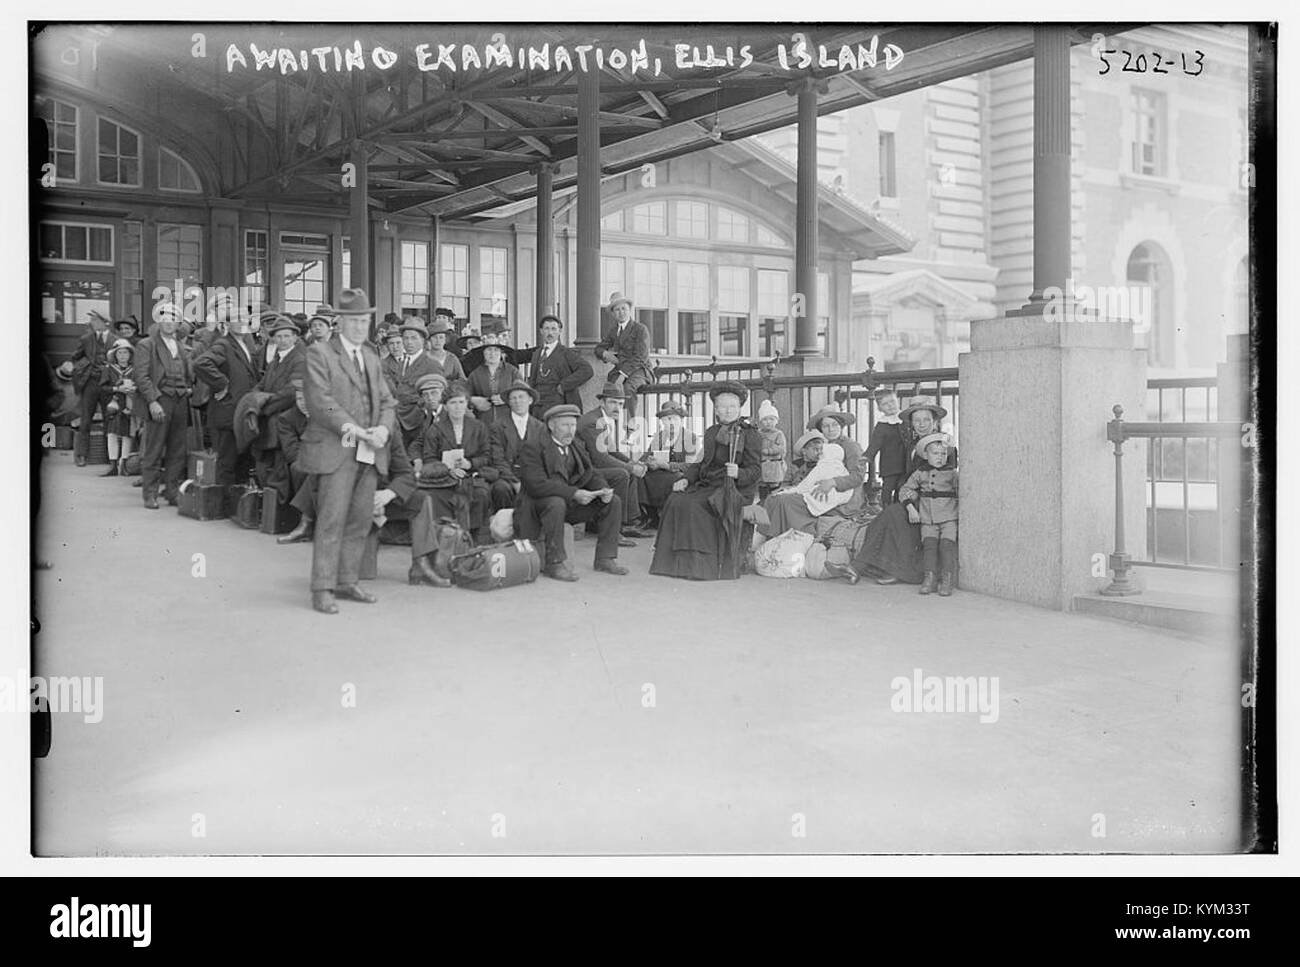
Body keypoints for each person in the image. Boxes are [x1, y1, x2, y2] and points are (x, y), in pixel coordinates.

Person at [298, 287, 397, 615]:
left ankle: (347, 579)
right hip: (338, 447)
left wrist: (383, 428)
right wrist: (352, 429)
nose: (359, 326)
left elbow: (386, 401)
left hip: (369, 450)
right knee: (332, 519)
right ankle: (322, 587)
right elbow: (319, 401)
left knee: (359, 518)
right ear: (339, 322)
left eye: (364, 320)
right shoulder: (320, 353)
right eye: (352, 320)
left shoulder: (371, 356)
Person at [649, 381, 762, 581]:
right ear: (716, 410)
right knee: (676, 500)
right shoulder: (711, 432)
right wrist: (685, 479)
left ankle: (700, 567)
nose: (726, 411)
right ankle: (675, 564)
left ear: (739, 408)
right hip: (709, 484)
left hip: (734, 488)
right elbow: (699, 463)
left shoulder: (750, 434)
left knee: (696, 506)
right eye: (721, 407)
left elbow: (755, 471)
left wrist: (738, 473)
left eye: (731, 407)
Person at [516, 404, 628, 581]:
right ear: (551, 426)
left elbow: (591, 473)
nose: (571, 431)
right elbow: (536, 485)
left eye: (573, 425)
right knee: (555, 502)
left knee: (613, 501)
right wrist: (574, 493)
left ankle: (605, 558)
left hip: (566, 505)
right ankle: (554, 563)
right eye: (565, 425)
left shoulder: (575, 445)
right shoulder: (533, 447)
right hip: (537, 508)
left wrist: (603, 489)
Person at [851, 398, 957, 585]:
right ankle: (862, 567)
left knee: (895, 515)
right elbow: (908, 475)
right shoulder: (912, 446)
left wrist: (913, 497)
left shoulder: (943, 446)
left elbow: (946, 477)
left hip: (937, 502)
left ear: (934, 422)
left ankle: (890, 569)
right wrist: (905, 493)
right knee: (884, 517)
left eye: (926, 420)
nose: (922, 424)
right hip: (914, 496)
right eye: (917, 421)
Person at [756, 406, 865, 539]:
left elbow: (858, 477)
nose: (830, 429)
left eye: (834, 425)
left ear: (841, 426)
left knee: (786, 502)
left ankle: (796, 539)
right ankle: (770, 541)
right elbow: (815, 476)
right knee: (774, 499)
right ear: (821, 429)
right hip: (822, 491)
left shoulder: (850, 446)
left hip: (844, 496)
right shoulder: (826, 447)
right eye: (826, 426)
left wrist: (833, 482)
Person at [412, 380, 493, 541]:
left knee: (481, 494)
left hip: (471, 476)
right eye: (453, 403)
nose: (457, 407)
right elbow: (429, 458)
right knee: (436, 496)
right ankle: (447, 539)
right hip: (443, 478)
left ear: (467, 404)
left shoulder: (478, 427)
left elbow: (487, 456)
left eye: (461, 402)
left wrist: (470, 464)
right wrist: (448, 470)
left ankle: (472, 539)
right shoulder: (435, 429)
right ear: (446, 406)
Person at [133, 303, 194, 509]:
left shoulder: (181, 347)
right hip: (160, 401)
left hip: (180, 402)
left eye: (173, 319)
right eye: (165, 319)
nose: (169, 323)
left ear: (178, 324)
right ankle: (149, 494)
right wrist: (152, 401)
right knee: (154, 449)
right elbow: (141, 377)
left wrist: (188, 388)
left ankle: (171, 491)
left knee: (178, 449)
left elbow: (187, 374)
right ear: (159, 322)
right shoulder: (146, 345)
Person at [193, 308, 264, 487]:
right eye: (236, 319)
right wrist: (221, 383)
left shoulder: (246, 345)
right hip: (227, 412)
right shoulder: (224, 344)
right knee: (227, 462)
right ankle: (224, 504)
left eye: (244, 319)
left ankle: (236, 504)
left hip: (241, 411)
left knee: (241, 462)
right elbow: (201, 363)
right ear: (227, 324)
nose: (241, 322)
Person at [577, 382, 653, 540]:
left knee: (628, 471)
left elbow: (612, 451)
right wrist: (630, 468)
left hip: (593, 466)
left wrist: (632, 463)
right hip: (582, 471)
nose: (617, 407)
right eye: (612, 402)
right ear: (602, 402)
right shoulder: (593, 421)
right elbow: (601, 458)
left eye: (620, 403)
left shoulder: (604, 418)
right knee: (622, 474)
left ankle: (628, 523)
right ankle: (613, 530)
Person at [899, 432, 959, 596]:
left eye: (943, 453)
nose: (940, 457)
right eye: (935, 453)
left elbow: (962, 492)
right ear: (925, 455)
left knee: (947, 547)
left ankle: (947, 580)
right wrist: (910, 507)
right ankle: (930, 579)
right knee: (929, 548)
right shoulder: (920, 473)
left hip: (949, 517)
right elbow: (905, 490)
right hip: (927, 519)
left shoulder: (953, 473)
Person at [639, 399, 702, 529]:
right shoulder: (660, 437)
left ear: (681, 420)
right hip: (659, 473)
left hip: (680, 474)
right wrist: (648, 462)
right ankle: (650, 516)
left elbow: (690, 466)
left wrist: (665, 465)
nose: (671, 423)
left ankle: (669, 517)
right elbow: (646, 456)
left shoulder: (691, 437)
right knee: (641, 477)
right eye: (667, 419)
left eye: (674, 419)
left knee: (675, 479)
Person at [487, 379, 545, 513]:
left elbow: (544, 458)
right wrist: (515, 482)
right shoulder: (498, 426)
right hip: (506, 476)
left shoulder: (540, 427)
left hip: (532, 476)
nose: (517, 401)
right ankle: (504, 526)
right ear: (508, 402)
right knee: (500, 489)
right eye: (513, 398)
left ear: (530, 400)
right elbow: (497, 459)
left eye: (521, 397)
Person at [594, 291, 653, 417]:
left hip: (640, 371)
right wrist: (605, 354)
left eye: (624, 308)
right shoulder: (614, 331)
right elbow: (598, 349)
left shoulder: (640, 329)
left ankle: (629, 424)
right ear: (613, 314)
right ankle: (612, 423)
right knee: (610, 391)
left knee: (627, 389)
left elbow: (640, 358)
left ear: (629, 310)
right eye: (617, 310)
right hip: (620, 369)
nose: (621, 312)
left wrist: (622, 375)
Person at [527, 314, 593, 417]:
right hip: (537, 404)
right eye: (546, 329)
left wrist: (563, 386)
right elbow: (533, 381)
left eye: (553, 329)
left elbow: (587, 370)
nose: (550, 333)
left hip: (557, 403)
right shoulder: (537, 353)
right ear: (541, 331)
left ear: (559, 331)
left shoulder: (566, 353)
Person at [69, 308, 111, 467]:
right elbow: (75, 357)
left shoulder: (115, 340)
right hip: (90, 383)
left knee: (109, 419)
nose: (91, 323)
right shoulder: (86, 339)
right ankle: (81, 456)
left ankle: (109, 456)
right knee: (86, 419)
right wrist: (84, 366)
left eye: (94, 320)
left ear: (104, 322)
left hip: (108, 385)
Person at [97, 338, 137, 477]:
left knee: (127, 434)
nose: (122, 355)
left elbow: (141, 384)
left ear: (130, 355)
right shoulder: (109, 369)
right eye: (119, 353)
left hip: (129, 404)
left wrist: (134, 389)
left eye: (125, 352)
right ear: (115, 355)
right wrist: (117, 388)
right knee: (112, 433)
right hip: (113, 405)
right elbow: (102, 388)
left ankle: (124, 464)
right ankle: (113, 465)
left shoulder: (135, 370)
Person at [865, 388, 908, 505]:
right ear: (879, 408)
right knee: (887, 489)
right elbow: (875, 444)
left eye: (892, 401)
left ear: (897, 400)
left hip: (906, 461)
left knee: (902, 487)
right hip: (890, 463)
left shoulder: (906, 419)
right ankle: (886, 511)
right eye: (885, 404)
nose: (890, 406)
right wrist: (867, 456)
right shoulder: (882, 425)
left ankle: (899, 511)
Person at [467, 338, 522, 427]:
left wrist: (506, 398)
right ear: (483, 352)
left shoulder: (512, 372)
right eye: (489, 350)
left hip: (509, 423)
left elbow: (523, 394)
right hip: (484, 423)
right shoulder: (475, 374)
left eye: (496, 350)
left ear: (501, 353)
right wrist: (474, 401)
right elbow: (465, 396)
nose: (492, 354)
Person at [756, 399, 788, 500]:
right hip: (762, 464)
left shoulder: (778, 434)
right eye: (765, 419)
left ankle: (774, 505)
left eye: (771, 419)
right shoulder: (758, 434)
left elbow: (782, 449)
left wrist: (769, 451)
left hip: (775, 465)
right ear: (761, 421)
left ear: (776, 421)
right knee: (763, 487)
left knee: (774, 488)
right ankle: (763, 504)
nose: (768, 422)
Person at [425, 316, 467, 384]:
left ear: (445, 340)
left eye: (441, 337)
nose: (438, 341)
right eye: (435, 337)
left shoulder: (452, 358)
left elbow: (462, 380)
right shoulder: (423, 358)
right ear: (429, 340)